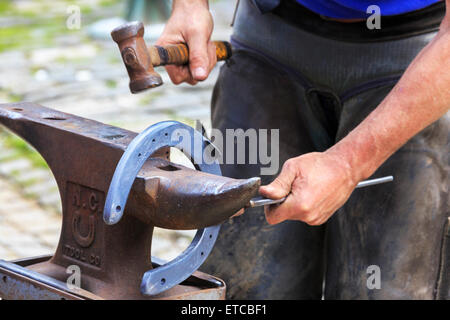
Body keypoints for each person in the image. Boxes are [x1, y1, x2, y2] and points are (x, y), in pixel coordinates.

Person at [156, 0, 449, 299]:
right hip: (271, 42)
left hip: (415, 57)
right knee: (245, 288)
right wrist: (190, 6)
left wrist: (347, 165)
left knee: (386, 289)